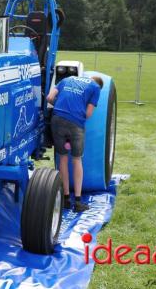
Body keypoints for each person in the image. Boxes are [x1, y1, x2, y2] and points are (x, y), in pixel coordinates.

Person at [47, 75, 103, 212]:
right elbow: (89, 113)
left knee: (63, 158)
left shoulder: (67, 79)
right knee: (77, 160)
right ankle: (78, 202)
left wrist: (62, 106)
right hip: (75, 124)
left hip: (57, 120)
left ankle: (65, 199)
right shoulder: (95, 87)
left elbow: (49, 98)